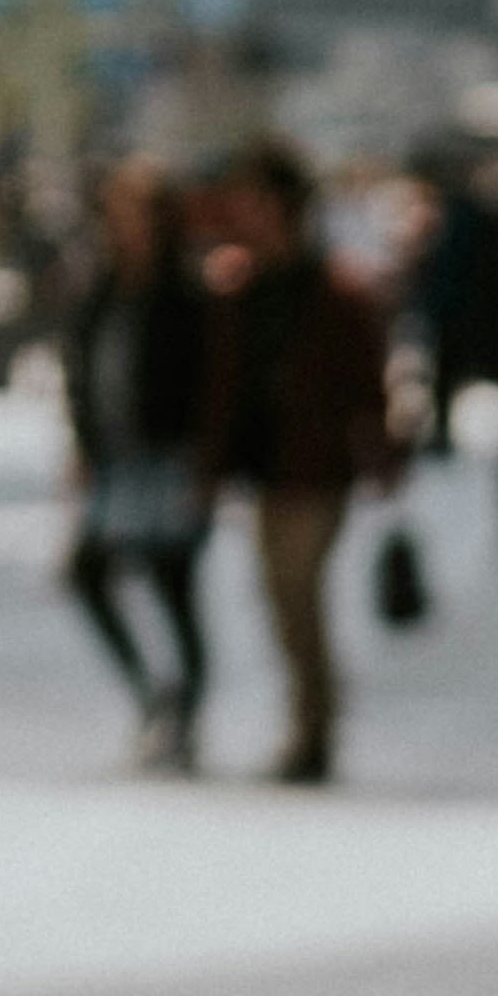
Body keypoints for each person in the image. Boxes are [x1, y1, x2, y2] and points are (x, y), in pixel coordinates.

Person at [194, 139, 394, 783]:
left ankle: (315, 727)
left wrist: (381, 453)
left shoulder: (335, 288)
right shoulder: (237, 286)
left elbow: (368, 382)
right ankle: (310, 717)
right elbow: (221, 385)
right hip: (263, 467)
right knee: (278, 596)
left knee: (297, 589)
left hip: (316, 469)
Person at [58, 152, 212, 769]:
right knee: (87, 574)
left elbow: (207, 383)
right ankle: (153, 696)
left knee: (176, 590)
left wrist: (206, 462)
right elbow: (81, 370)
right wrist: (82, 444)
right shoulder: (102, 287)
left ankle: (184, 714)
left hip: (170, 459)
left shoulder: (186, 292)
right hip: (116, 459)